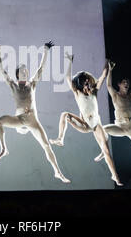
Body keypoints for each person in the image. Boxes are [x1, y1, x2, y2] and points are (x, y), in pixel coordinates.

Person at [0, 40, 70, 183]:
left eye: (26, 70)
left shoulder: (32, 84)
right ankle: (4, 149)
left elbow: (41, 68)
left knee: (46, 145)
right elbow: (2, 71)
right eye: (22, 71)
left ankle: (57, 172)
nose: (25, 72)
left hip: (33, 121)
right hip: (20, 120)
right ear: (17, 75)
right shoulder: (13, 85)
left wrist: (46, 50)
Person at [49, 53, 123, 186]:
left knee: (106, 150)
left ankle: (115, 176)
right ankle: (60, 139)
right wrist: (69, 61)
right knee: (64, 114)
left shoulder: (94, 91)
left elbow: (103, 75)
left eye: (88, 82)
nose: (87, 84)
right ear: (80, 85)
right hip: (84, 125)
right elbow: (67, 78)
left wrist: (107, 62)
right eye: (84, 83)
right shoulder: (77, 93)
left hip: (96, 125)